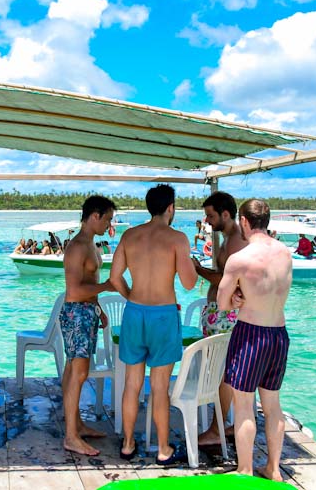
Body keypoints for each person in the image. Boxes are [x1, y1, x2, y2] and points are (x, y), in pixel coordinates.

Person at [110, 184, 197, 464]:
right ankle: (162, 449)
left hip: (135, 313)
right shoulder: (177, 238)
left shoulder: (130, 235)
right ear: (171, 208)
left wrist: (131, 297)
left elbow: (114, 277)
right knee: (160, 386)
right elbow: (189, 283)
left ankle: (127, 443)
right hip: (163, 314)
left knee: (132, 384)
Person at [217, 198, 292, 482]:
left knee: (245, 404)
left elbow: (223, 303)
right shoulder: (285, 253)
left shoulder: (241, 259)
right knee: (273, 405)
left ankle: (245, 469)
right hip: (279, 334)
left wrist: (236, 297)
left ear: (244, 222)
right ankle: (274, 469)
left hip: (251, 332)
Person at [191, 191, 248, 446]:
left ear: (226, 214)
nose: (207, 221)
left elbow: (228, 280)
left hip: (227, 316)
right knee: (225, 372)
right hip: (221, 313)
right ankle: (228, 424)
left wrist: (198, 269)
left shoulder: (235, 241)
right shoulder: (228, 239)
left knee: (224, 373)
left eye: (211, 215)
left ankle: (217, 428)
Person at [60, 195, 116, 456]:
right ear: (95, 216)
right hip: (76, 314)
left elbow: (88, 282)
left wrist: (99, 307)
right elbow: (73, 290)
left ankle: (77, 425)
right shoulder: (78, 246)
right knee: (78, 373)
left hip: (87, 311)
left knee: (74, 369)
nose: (109, 224)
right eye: (107, 219)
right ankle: (71, 436)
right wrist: (106, 287)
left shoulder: (91, 244)